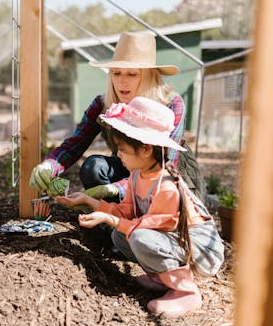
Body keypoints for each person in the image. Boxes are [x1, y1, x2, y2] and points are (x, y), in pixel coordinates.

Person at [55, 96, 224, 317]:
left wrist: (109, 219)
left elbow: (142, 227)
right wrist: (89, 201)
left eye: (122, 149)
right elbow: (126, 213)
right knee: (120, 237)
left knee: (139, 238)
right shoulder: (137, 176)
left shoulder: (167, 187)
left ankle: (187, 293)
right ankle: (162, 279)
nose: (118, 155)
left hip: (201, 251)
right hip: (174, 241)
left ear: (145, 149)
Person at [29, 31, 205, 203]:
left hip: (167, 178)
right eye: (116, 73)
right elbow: (75, 143)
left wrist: (116, 188)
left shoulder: (171, 104)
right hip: (127, 165)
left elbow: (165, 165)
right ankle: (111, 219)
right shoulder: (102, 104)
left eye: (132, 74)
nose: (122, 81)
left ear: (149, 75)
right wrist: (49, 165)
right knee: (93, 167)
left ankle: (130, 218)